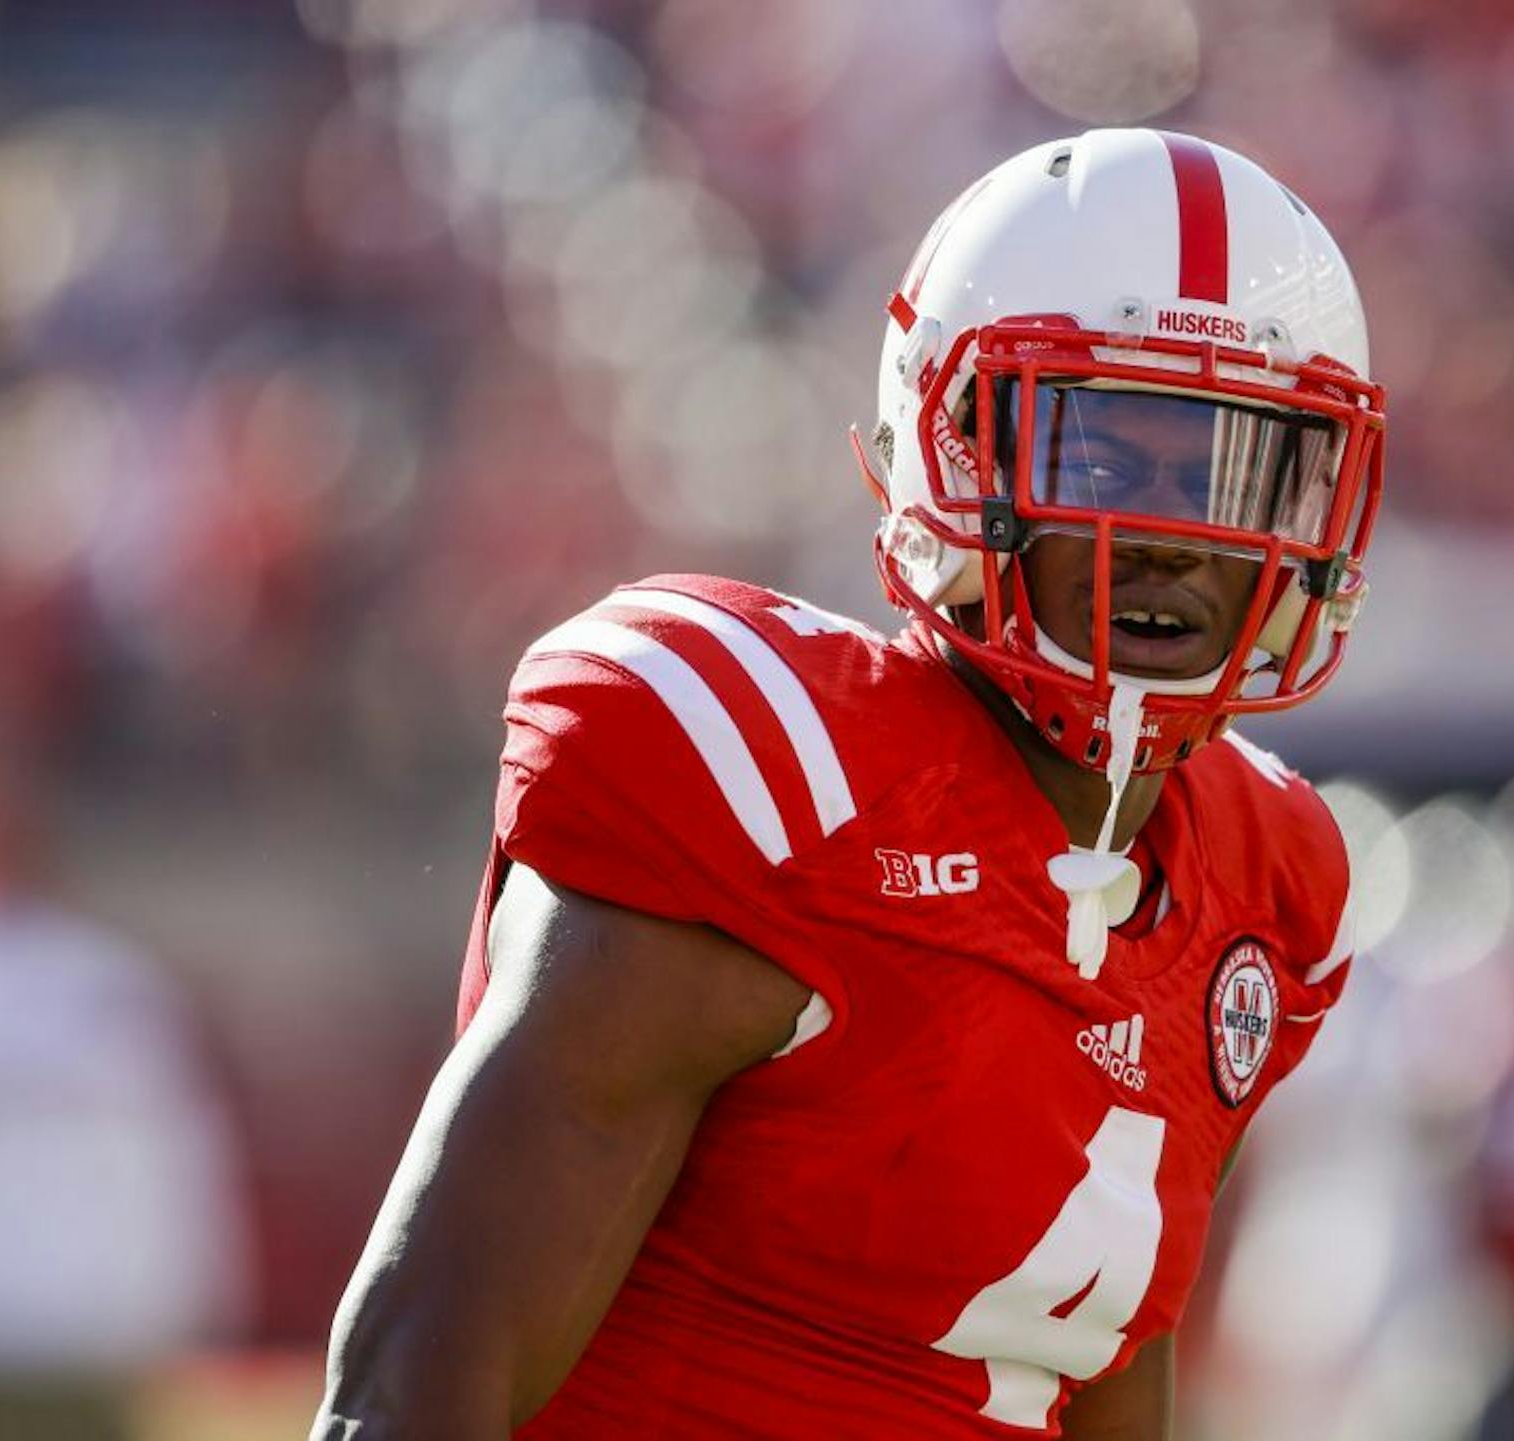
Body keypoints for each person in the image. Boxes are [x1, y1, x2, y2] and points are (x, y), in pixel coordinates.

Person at [314, 127, 1388, 1440]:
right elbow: (417, 1385)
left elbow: (1096, 1352)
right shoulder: (773, 782)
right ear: (956, 445)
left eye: (1226, 467)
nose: (1176, 534)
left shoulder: (1263, 879)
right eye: (1105, 453)